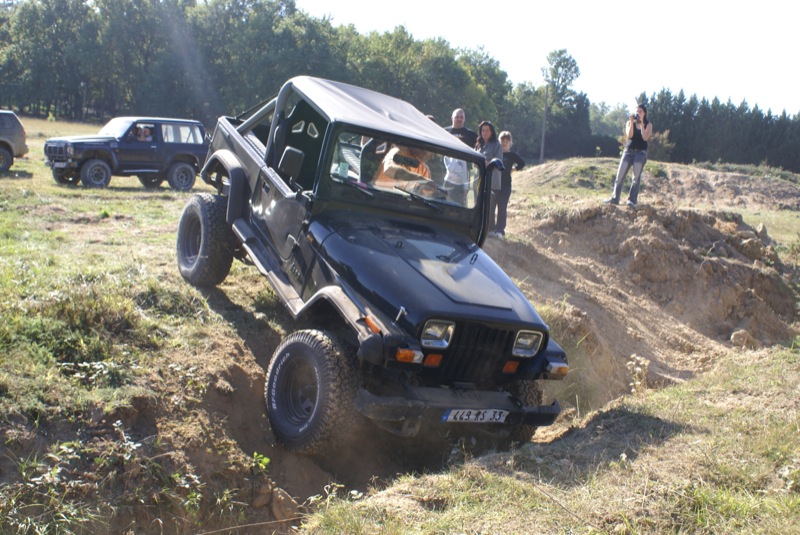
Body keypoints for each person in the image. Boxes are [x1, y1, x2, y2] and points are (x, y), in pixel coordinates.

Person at [605, 104, 652, 209]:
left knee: (635, 177)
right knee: (620, 175)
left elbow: (645, 137)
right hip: (628, 151)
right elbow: (629, 135)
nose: (638, 113)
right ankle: (615, 198)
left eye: (640, 111)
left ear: (644, 113)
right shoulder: (629, 123)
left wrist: (642, 124)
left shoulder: (648, 125)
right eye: (637, 111)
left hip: (641, 152)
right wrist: (632, 122)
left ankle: (631, 200)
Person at [495, 131, 525, 237]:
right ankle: (490, 227)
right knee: (491, 206)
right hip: (494, 184)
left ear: (510, 142)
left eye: (506, 141)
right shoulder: (496, 153)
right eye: (502, 141)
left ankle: (500, 229)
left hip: (506, 185)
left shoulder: (512, 155)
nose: (504, 143)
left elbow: (522, 163)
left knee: (502, 207)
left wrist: (514, 169)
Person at [372, 144, 436, 195]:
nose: (432, 156)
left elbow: (425, 196)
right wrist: (421, 180)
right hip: (376, 195)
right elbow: (389, 169)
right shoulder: (398, 151)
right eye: (431, 151)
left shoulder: (424, 170)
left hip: (400, 205)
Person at [476, 120, 503, 232]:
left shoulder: (496, 145)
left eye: (487, 130)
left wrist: (482, 162)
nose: (485, 132)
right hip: (479, 180)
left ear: (491, 132)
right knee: (479, 205)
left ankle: (490, 230)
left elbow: (498, 161)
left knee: (490, 207)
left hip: (492, 181)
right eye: (483, 130)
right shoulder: (478, 145)